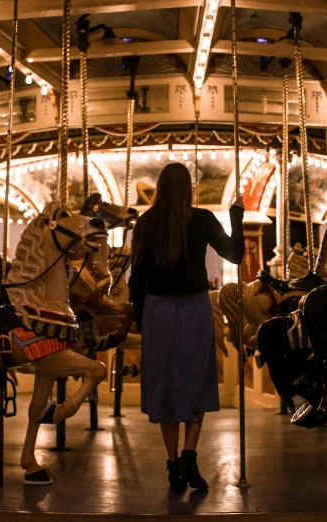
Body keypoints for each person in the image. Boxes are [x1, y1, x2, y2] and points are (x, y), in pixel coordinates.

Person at [130, 163, 244, 492]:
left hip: (158, 310)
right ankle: (189, 457)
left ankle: (172, 463)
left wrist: (141, 320)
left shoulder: (146, 222)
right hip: (194, 307)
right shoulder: (203, 219)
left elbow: (137, 279)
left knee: (165, 382)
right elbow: (235, 255)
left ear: (161, 187)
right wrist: (235, 216)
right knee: (194, 377)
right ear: (189, 188)